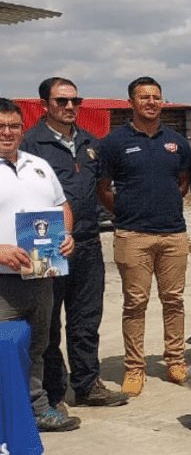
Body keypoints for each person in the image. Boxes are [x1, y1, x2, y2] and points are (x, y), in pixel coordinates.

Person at [20, 78, 128, 412]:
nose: (69, 107)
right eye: (61, 101)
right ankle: (52, 393)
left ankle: (87, 385)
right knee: (46, 323)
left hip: (88, 242)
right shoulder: (29, 145)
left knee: (86, 319)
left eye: (74, 101)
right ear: (45, 105)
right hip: (46, 245)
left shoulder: (90, 143)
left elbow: (103, 189)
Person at [96, 77, 191, 396]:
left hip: (173, 234)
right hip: (132, 234)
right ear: (131, 103)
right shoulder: (114, 142)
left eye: (156, 97)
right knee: (135, 303)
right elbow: (102, 189)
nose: (151, 102)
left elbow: (183, 183)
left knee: (174, 300)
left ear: (162, 101)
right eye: (144, 97)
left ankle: (175, 360)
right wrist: (123, 212)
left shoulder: (177, 141)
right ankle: (134, 368)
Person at [0, 97, 81, 431]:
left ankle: (36, 410)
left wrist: (68, 235)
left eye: (14, 126)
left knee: (35, 347)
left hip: (40, 276)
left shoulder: (39, 165)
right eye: (0, 126)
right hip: (2, 281)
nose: (7, 132)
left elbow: (62, 205)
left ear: (23, 128)